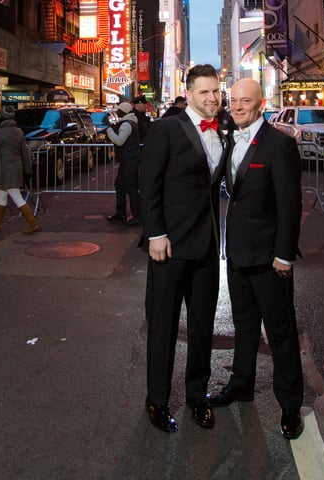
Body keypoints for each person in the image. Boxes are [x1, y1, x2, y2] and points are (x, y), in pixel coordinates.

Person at [207, 78, 304, 440]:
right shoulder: (229, 140)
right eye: (233, 101)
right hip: (236, 255)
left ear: (261, 104)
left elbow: (289, 206)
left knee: (280, 332)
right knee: (244, 327)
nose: (238, 106)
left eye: (245, 101)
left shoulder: (279, 145)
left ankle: (290, 405)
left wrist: (284, 254)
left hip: (269, 259)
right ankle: (241, 385)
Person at [139, 64, 228, 434]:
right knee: (162, 326)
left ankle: (197, 395)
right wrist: (155, 233)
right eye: (204, 92)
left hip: (206, 246)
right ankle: (157, 400)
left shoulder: (223, 132)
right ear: (188, 93)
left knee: (203, 327)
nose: (212, 98)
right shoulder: (167, 128)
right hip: (170, 246)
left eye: (216, 92)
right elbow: (149, 184)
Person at [0, 105, 39, 234]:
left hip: (5, 170)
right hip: (16, 168)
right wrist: (28, 170)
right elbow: (25, 153)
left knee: (16, 197)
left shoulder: (1, 132)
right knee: (2, 196)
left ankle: (33, 223)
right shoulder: (19, 131)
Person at [106, 101, 141, 225]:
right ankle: (121, 213)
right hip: (129, 159)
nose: (117, 112)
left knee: (131, 188)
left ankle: (136, 216)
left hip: (129, 160)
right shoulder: (130, 122)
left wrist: (109, 131)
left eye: (119, 110)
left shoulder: (126, 124)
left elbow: (120, 141)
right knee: (121, 186)